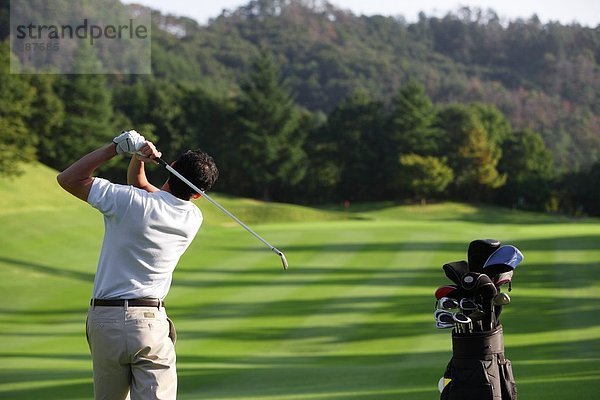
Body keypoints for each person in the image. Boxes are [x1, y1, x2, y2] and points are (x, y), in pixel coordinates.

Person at [57, 130, 218, 399]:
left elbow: (68, 178)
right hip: (149, 326)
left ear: (173, 168)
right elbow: (144, 188)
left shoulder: (127, 201)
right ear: (199, 195)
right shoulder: (192, 218)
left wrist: (116, 149)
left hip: (105, 322)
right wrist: (138, 158)